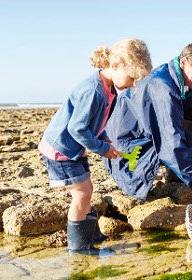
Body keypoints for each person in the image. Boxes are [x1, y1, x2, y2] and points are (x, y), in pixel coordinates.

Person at [38, 38, 152, 252]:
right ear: (116, 66)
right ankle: (79, 245)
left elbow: (93, 122)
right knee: (81, 193)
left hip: (75, 147)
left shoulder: (109, 89)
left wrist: (101, 137)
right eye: (132, 77)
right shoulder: (93, 92)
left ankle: (90, 234)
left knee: (87, 189)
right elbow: (77, 129)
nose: (133, 84)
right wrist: (101, 147)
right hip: (61, 149)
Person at [103, 42, 192, 201]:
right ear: (183, 63)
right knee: (184, 142)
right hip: (126, 147)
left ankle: (176, 171)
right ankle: (177, 169)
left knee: (191, 105)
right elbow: (171, 142)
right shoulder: (163, 89)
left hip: (142, 132)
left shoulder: (176, 76)